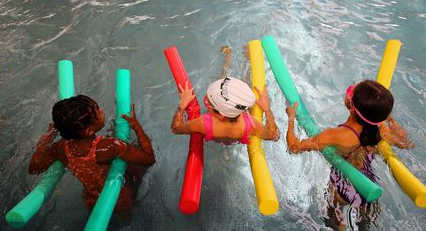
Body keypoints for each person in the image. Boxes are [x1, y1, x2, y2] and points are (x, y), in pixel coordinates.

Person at [285, 80, 413, 230]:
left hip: (342, 189)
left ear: (352, 107)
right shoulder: (381, 129)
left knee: (332, 219)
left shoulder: (335, 135)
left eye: (351, 90)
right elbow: (405, 143)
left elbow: (293, 148)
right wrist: (389, 120)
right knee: (366, 225)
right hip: (368, 186)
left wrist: (291, 118)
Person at [29, 95, 155, 215]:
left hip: (92, 199)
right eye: (98, 112)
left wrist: (49, 136)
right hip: (119, 197)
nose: (102, 110)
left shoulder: (61, 148)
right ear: (89, 131)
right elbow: (149, 159)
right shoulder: (111, 146)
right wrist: (136, 125)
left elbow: (34, 168)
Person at [171, 46, 279, 144]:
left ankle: (228, 57)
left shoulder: (203, 123)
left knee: (222, 77)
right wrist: (267, 110)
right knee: (244, 81)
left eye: (208, 102)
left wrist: (182, 106)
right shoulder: (251, 125)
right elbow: (273, 135)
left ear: (220, 115)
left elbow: (176, 128)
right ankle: (247, 59)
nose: (206, 101)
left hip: (214, 131)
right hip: (240, 132)